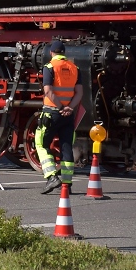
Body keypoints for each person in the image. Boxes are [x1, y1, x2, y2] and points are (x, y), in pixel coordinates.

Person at [36, 39, 84, 194]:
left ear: (51, 53)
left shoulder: (49, 67)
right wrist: (69, 108)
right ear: (64, 53)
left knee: (41, 144)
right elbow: (79, 93)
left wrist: (61, 107)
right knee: (66, 146)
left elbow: (48, 91)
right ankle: (67, 184)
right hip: (68, 115)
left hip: (51, 113)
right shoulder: (75, 68)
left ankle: (51, 177)